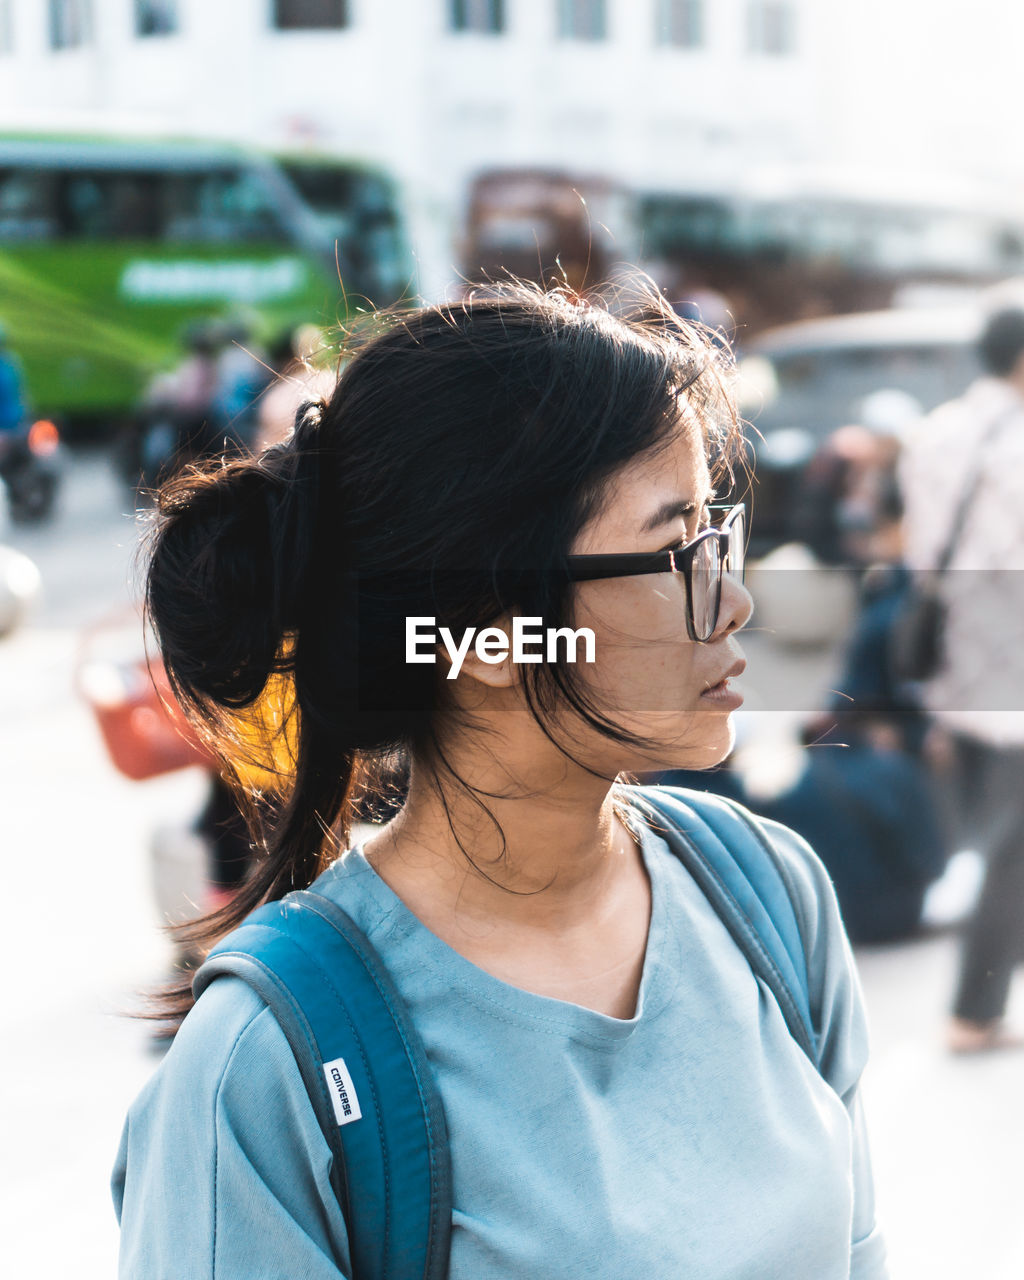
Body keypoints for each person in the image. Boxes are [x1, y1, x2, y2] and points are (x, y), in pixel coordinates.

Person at [112, 282, 888, 1277]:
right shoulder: (266, 1065)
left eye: (714, 536)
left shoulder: (767, 893)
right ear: (480, 630)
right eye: (667, 552)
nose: (733, 600)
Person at [899, 306, 1024, 1053]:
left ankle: (977, 1004)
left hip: (957, 659)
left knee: (992, 832)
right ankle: (973, 1011)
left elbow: (924, 553)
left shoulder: (938, 429)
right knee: (1012, 845)